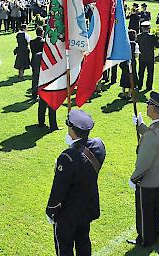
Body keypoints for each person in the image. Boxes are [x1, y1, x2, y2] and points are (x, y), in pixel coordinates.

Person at [46, 109, 106, 256]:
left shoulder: (67, 158)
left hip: (68, 212)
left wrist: (51, 210)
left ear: (72, 130)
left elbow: (59, 190)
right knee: (83, 241)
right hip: (87, 206)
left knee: (64, 247)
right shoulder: (99, 145)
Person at [127, 92, 159, 247]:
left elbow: (144, 161)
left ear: (153, 108)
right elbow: (155, 137)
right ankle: (154, 235)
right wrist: (141, 126)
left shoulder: (152, 135)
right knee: (155, 208)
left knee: (144, 211)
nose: (146, 107)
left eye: (148, 104)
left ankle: (145, 239)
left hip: (147, 179)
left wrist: (135, 179)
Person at [136, 21, 156, 92]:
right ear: (149, 28)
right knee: (150, 73)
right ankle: (149, 87)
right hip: (150, 57)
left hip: (142, 57)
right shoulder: (152, 36)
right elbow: (157, 45)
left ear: (142, 28)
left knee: (141, 72)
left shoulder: (138, 36)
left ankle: (139, 85)